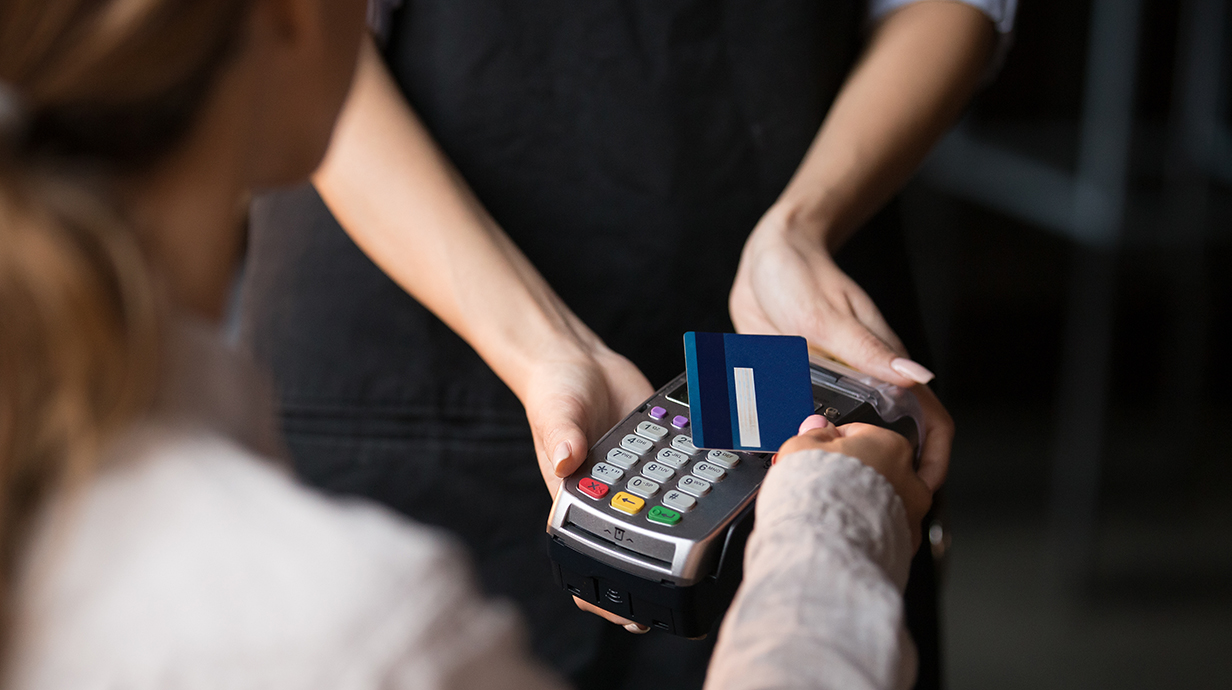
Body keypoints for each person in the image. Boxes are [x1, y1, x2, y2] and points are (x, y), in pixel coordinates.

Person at [0, 3, 931, 687]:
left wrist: (797, 226)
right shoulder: (360, 630)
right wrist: (833, 533)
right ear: (287, 22)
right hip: (401, 396)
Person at [240, 1, 1014, 686]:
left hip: (792, 329)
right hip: (411, 349)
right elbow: (294, 35)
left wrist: (802, 223)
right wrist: (543, 347)